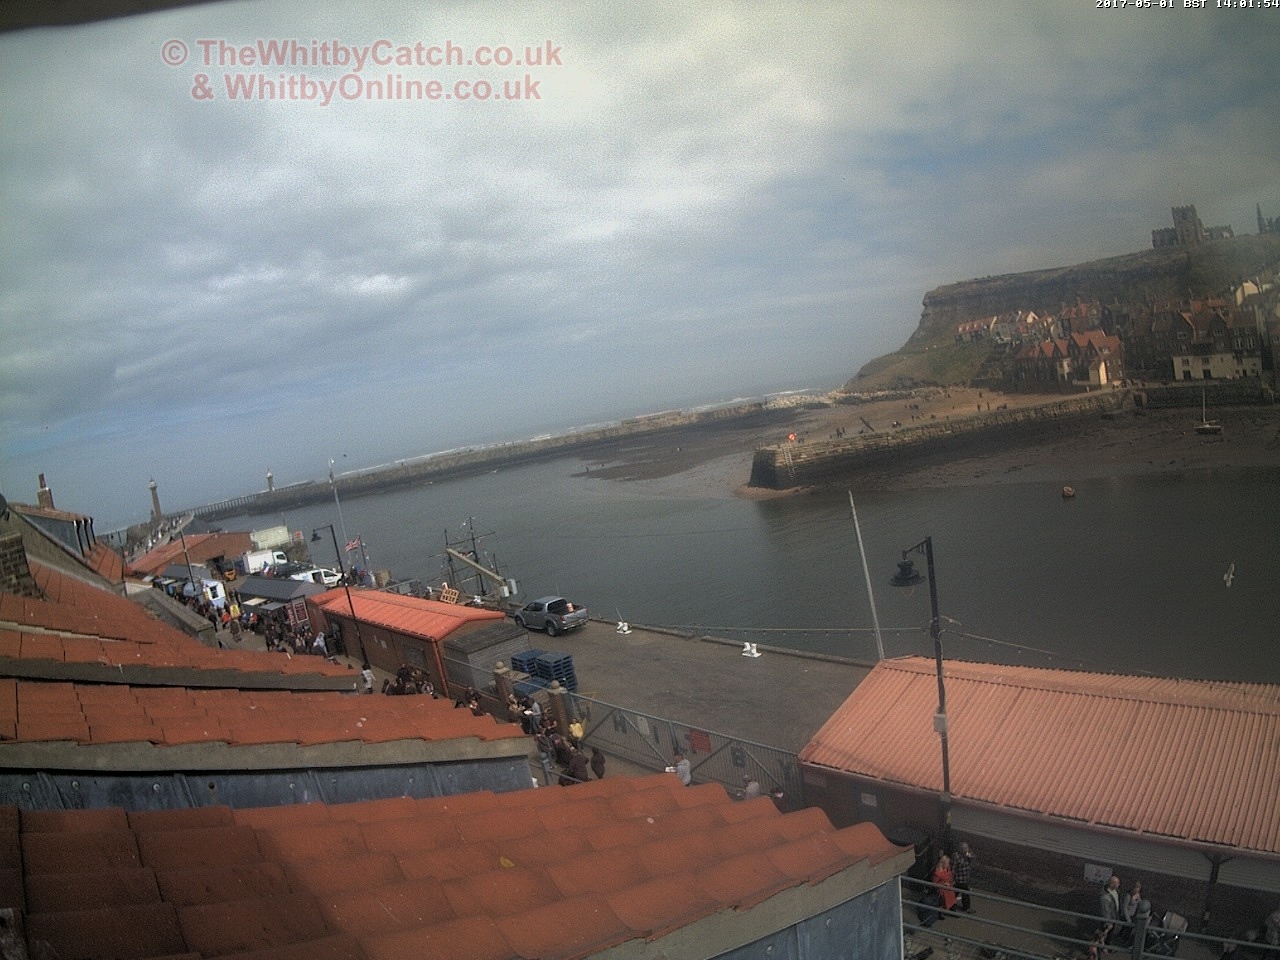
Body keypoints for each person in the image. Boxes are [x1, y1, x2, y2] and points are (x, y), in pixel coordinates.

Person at [1099, 874, 1122, 943]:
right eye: (1117, 883)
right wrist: (1108, 922)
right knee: (1103, 934)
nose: (1119, 885)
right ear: (1112, 884)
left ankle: (1107, 946)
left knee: (1111, 934)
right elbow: (1105, 910)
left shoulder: (1116, 891)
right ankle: (1101, 948)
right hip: (1109, 918)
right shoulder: (1105, 896)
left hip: (1114, 915)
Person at [952, 841, 975, 913]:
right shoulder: (956, 856)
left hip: (965, 878)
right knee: (960, 893)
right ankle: (965, 907)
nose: (966, 850)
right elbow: (953, 868)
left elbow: (973, 860)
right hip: (959, 879)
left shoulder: (968, 855)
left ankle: (965, 907)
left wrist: (970, 857)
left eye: (966, 848)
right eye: (964, 849)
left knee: (961, 893)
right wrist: (953, 878)